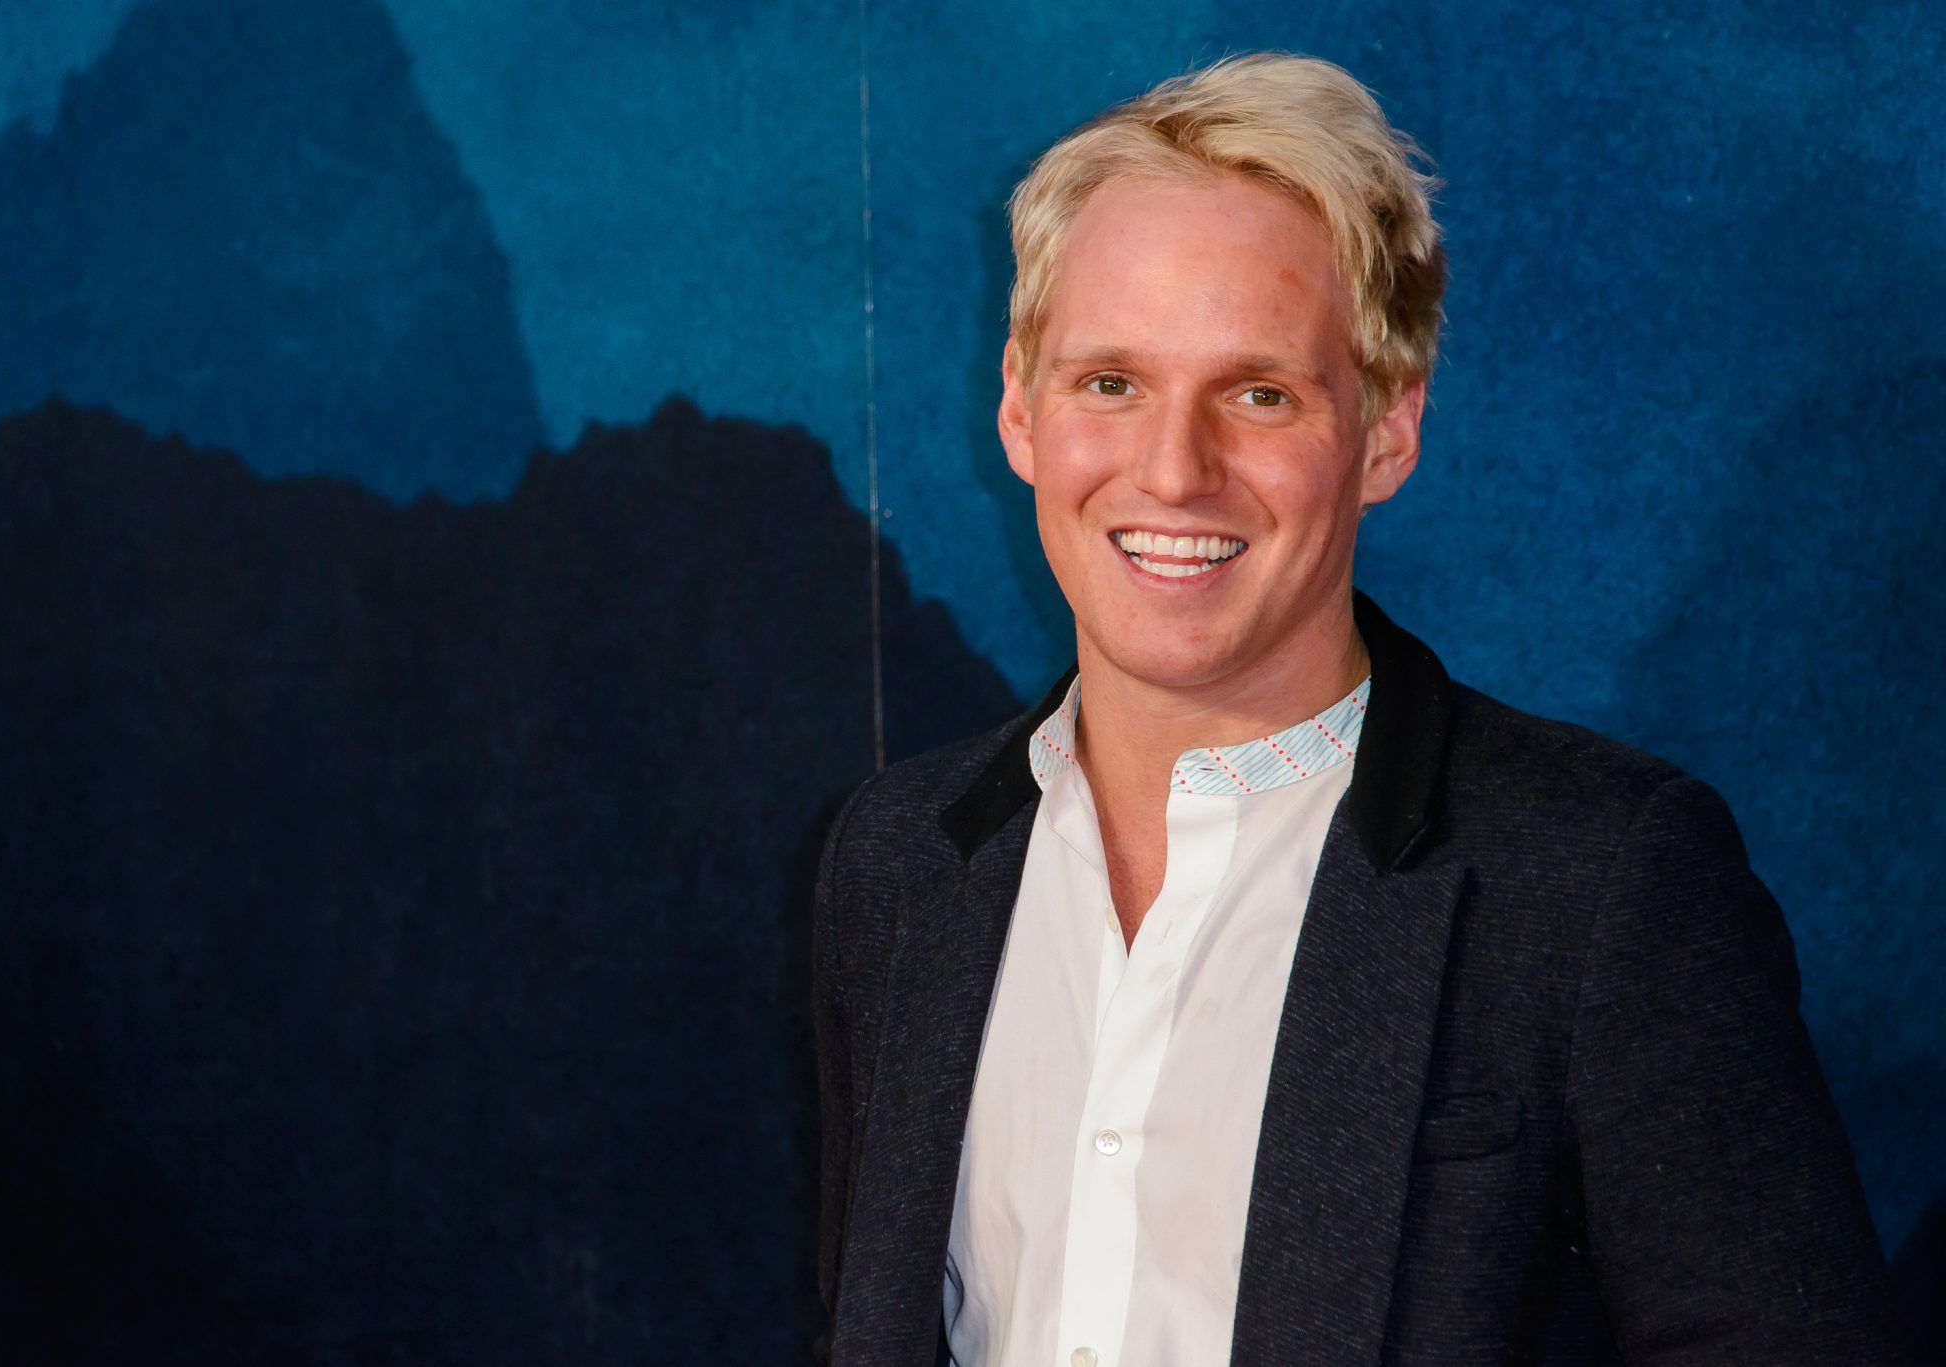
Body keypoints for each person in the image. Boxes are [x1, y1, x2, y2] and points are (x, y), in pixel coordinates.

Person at [811, 53, 1907, 1366]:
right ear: (1019, 409)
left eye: (1259, 393)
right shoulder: (899, 865)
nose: (1175, 469)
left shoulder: (1604, 885)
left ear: (1387, 429)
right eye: (1111, 382)